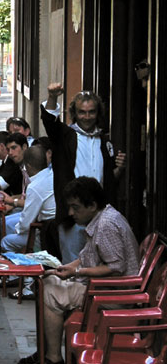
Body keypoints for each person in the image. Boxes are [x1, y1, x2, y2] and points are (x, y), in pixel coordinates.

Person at [19, 176, 139, 364]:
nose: (71, 213)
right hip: (103, 288)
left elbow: (115, 267)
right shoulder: (102, 219)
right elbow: (86, 257)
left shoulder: (106, 225)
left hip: (114, 296)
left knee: (50, 292)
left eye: (76, 207)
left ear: (92, 205)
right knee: (48, 281)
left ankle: (54, 359)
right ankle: (47, 354)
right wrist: (66, 269)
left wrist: (76, 272)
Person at [41, 83, 126, 263]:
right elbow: (49, 121)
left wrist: (119, 169)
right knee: (72, 263)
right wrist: (52, 97)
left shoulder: (104, 140)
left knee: (100, 264)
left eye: (91, 112)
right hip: (73, 213)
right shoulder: (65, 137)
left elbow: (108, 179)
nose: (87, 117)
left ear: (98, 113)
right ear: (75, 113)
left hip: (99, 214)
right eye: (82, 112)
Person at [1, 146, 56, 300]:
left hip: (44, 230)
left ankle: (26, 283)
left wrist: (18, 231)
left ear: (29, 166)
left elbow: (25, 223)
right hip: (51, 227)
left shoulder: (36, 186)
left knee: (7, 242)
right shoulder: (52, 176)